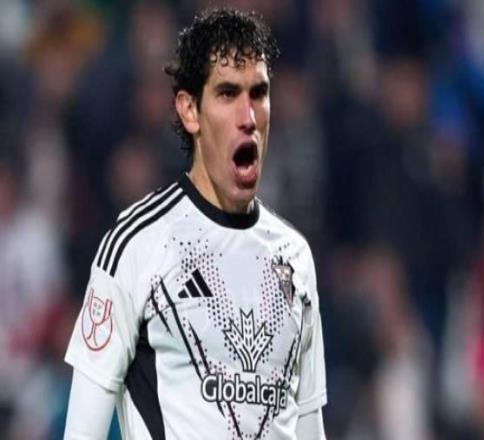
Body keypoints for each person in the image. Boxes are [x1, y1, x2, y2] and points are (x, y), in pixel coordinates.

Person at [64, 8, 327, 439]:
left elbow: (309, 428)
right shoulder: (137, 244)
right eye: (228, 93)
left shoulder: (295, 257)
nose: (248, 116)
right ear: (189, 110)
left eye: (259, 93)